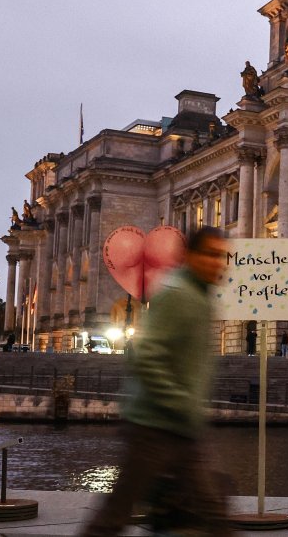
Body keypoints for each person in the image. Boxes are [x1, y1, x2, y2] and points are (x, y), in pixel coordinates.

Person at [81, 227, 231, 537]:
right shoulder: (177, 295)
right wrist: (179, 401)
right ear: (191, 257)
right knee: (117, 514)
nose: (220, 263)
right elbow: (146, 355)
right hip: (154, 424)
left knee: (211, 510)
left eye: (223, 256)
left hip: (178, 425)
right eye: (212, 254)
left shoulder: (199, 297)